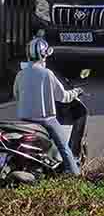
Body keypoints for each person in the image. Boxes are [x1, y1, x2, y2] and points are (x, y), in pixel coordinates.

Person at [13, 37, 83, 175]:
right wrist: (76, 92)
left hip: (24, 122)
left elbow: (16, 95)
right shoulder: (47, 74)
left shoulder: (20, 74)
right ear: (44, 54)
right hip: (46, 120)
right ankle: (75, 175)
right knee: (64, 147)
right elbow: (63, 97)